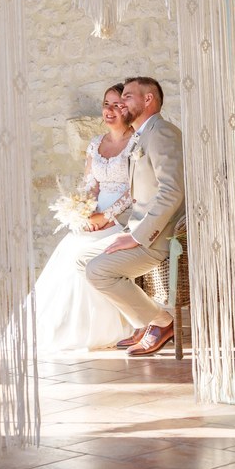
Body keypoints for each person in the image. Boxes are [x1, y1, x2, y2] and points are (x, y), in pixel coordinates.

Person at [78, 76, 185, 357]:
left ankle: (161, 322)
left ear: (148, 99)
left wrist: (137, 237)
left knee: (97, 271)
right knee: (80, 259)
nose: (121, 103)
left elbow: (172, 192)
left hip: (158, 238)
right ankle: (146, 322)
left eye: (127, 97)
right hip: (134, 228)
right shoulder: (142, 134)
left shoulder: (162, 133)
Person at [35, 84, 135, 352]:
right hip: (95, 214)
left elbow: (134, 189)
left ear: (128, 109)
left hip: (125, 216)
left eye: (117, 105)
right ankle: (64, 325)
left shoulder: (136, 143)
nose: (110, 110)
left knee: (89, 254)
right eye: (106, 104)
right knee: (69, 247)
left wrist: (108, 216)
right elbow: (90, 183)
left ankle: (102, 327)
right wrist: (84, 210)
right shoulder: (95, 143)